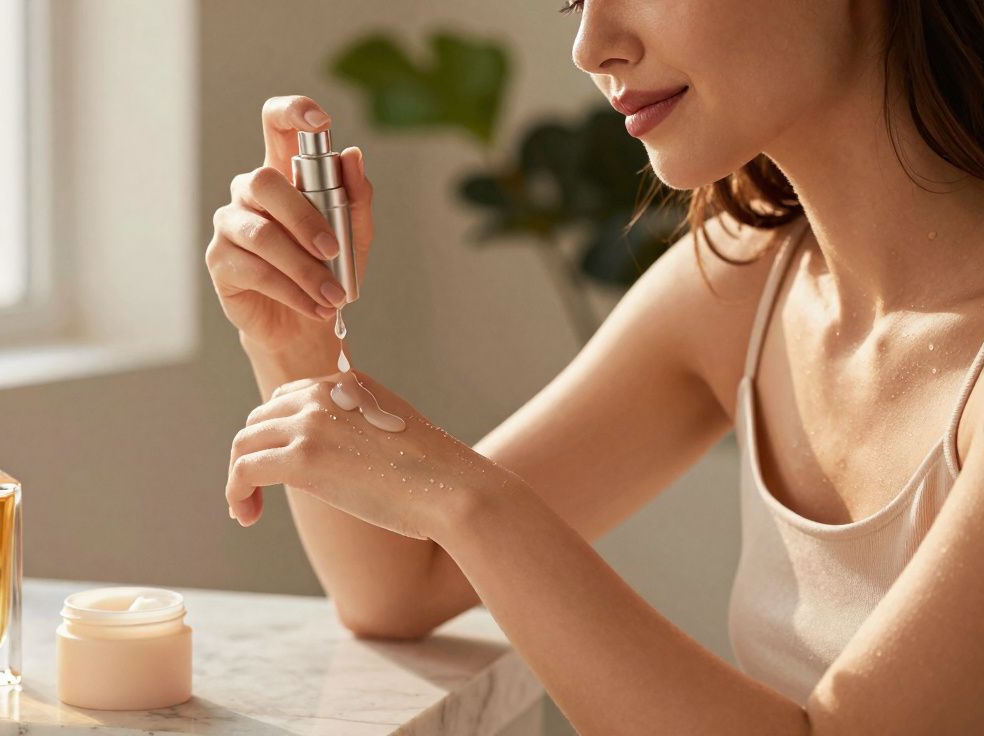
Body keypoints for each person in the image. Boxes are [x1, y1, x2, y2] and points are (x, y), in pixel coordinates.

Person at [205, 1, 984, 731]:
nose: (591, 47)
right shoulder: (747, 286)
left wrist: (474, 499)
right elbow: (398, 586)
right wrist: (295, 334)